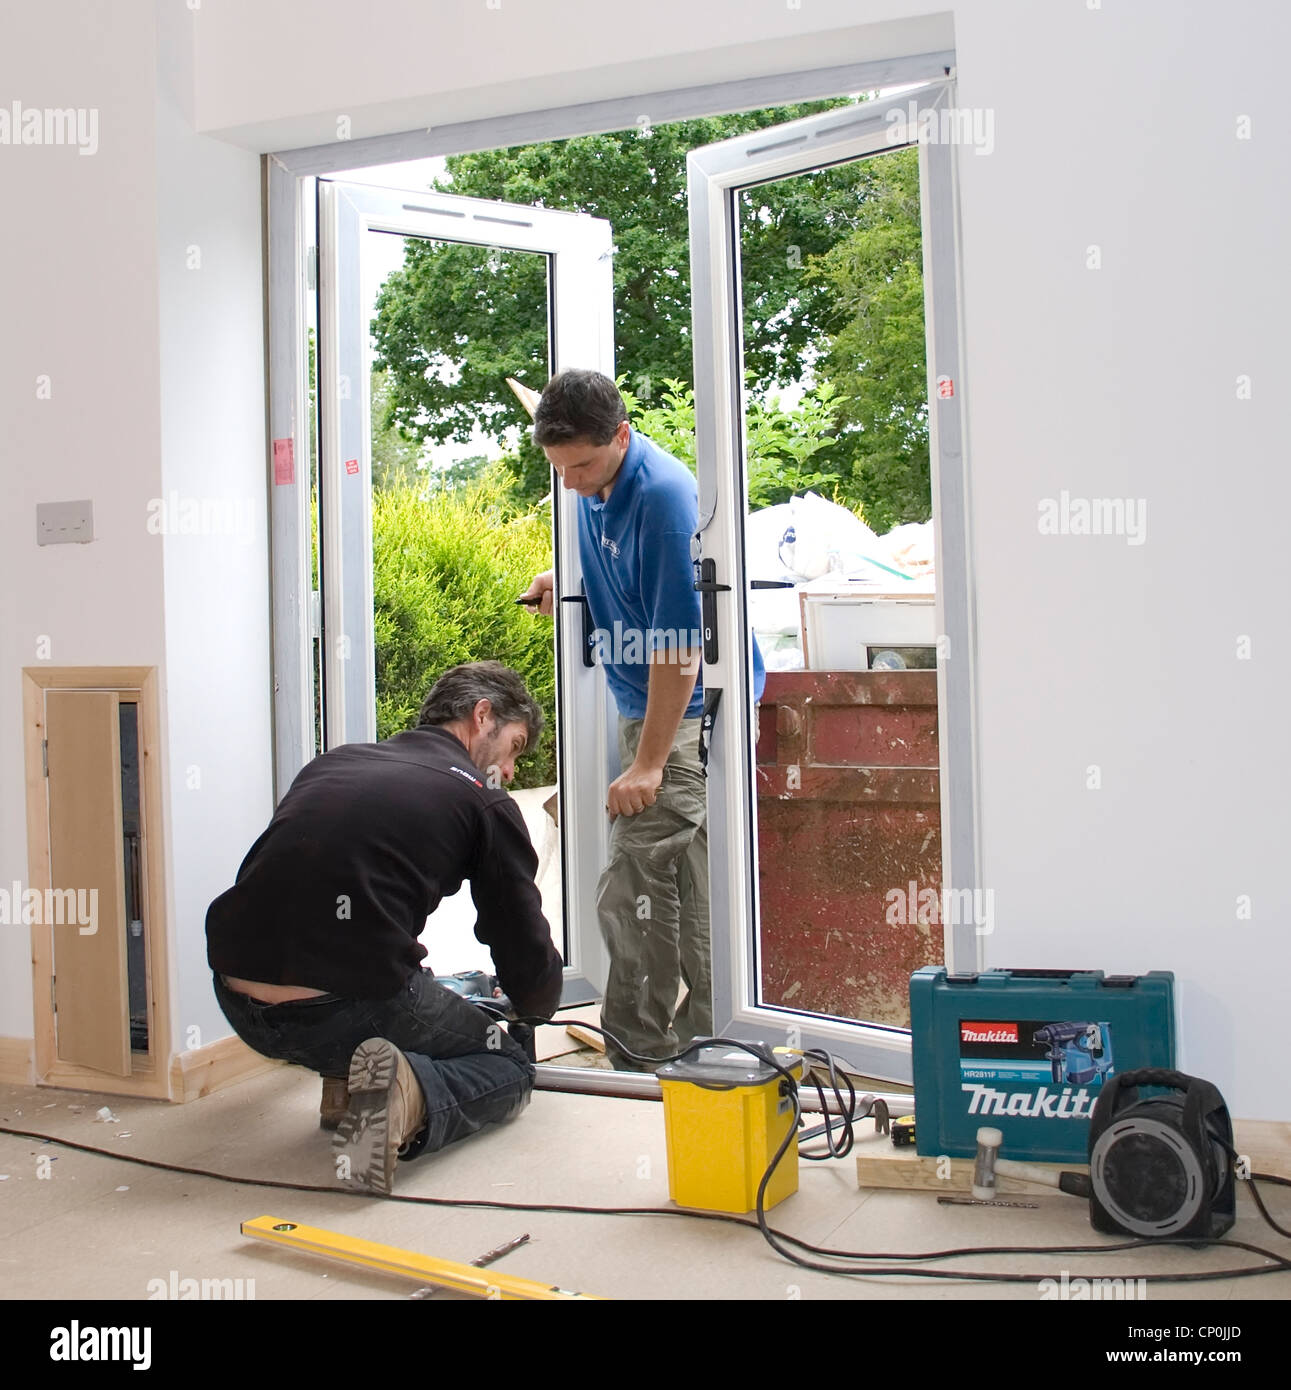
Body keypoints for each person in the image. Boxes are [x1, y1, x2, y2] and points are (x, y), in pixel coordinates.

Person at [205, 661, 563, 1196]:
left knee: (380, 961)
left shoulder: (336, 762)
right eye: (514, 747)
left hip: (238, 996)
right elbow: (517, 934)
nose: (511, 771)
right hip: (342, 1006)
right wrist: (534, 1007)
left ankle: (346, 1087)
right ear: (482, 715)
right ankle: (409, 1096)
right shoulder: (482, 799)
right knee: (506, 1060)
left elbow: (295, 884)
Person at [521, 369, 763, 1070]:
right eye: (558, 468)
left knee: (631, 888)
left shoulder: (661, 498)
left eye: (583, 465)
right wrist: (561, 580)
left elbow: (682, 654)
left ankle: (638, 1052)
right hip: (647, 706)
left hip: (685, 715)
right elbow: (617, 570)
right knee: (689, 888)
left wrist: (650, 762)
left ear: (622, 436)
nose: (569, 483)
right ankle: (706, 1045)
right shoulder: (592, 481)